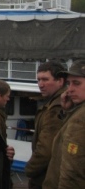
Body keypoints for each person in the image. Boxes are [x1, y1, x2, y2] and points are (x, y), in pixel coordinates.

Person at [43, 59, 85, 188]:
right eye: (68, 83)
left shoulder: (81, 118)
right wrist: (68, 111)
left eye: (76, 83)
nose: (70, 89)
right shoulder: (78, 111)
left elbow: (72, 170)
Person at [25, 61, 67, 189]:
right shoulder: (54, 103)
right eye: (38, 80)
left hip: (47, 176)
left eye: (45, 79)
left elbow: (46, 149)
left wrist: (29, 170)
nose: (40, 85)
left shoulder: (56, 107)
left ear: (60, 81)